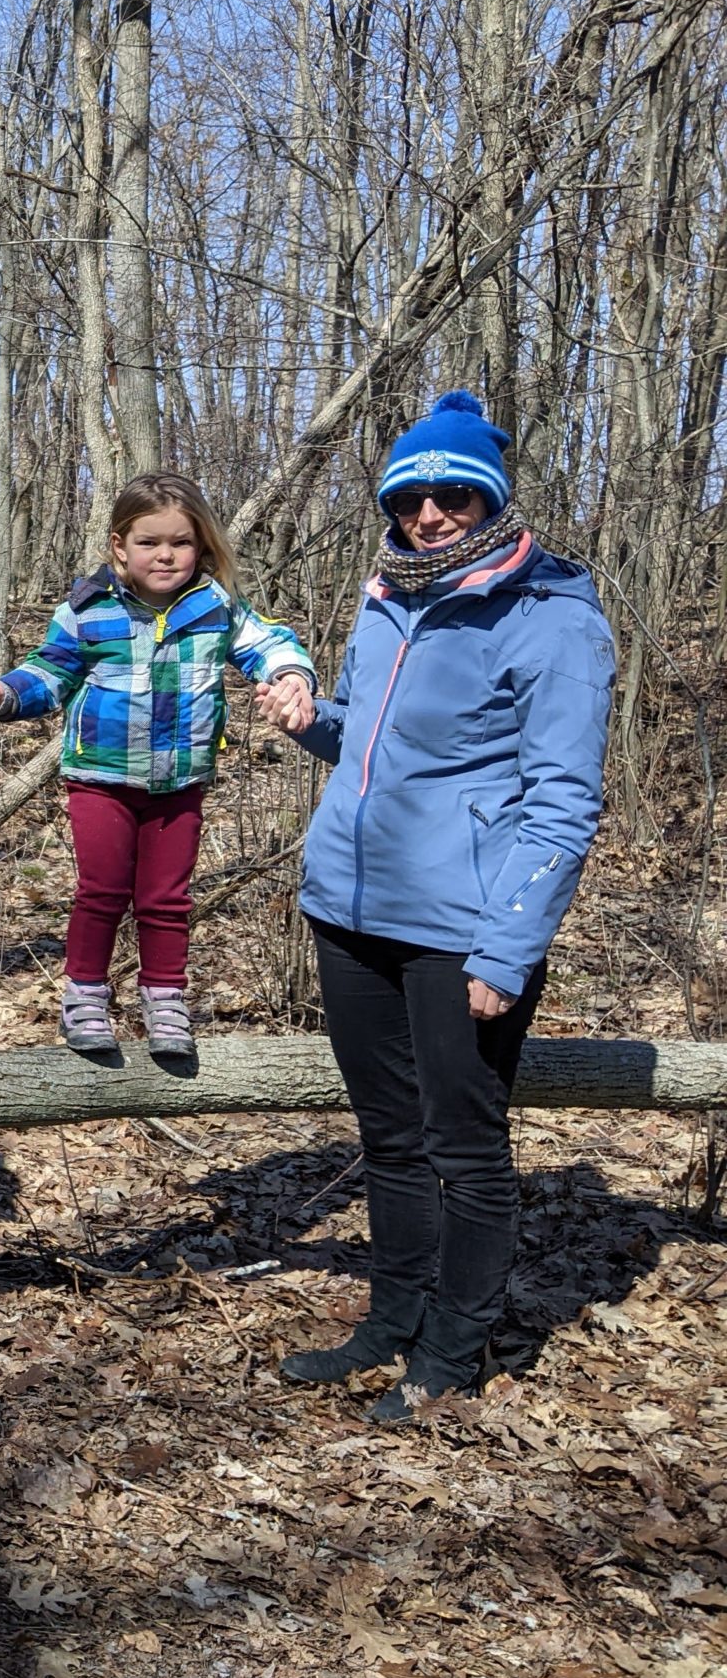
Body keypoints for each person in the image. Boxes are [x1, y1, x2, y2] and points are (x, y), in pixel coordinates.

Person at [265, 391, 614, 1421]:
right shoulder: (389, 596)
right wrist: (310, 720)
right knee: (388, 1137)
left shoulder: (553, 618)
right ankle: (391, 1321)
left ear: (491, 500)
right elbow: (377, 746)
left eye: (453, 496)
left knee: (463, 1146)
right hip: (349, 908)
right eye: (409, 499)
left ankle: (454, 1349)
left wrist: (507, 950)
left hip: (461, 929)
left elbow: (563, 803)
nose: (429, 515)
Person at [0, 472, 315, 1057]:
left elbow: (268, 643)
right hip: (101, 778)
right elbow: (50, 670)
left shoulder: (216, 606)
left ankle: (166, 998)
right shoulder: (88, 608)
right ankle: (84, 995)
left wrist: (290, 676)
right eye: (149, 542)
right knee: (102, 890)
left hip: (179, 780)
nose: (165, 555)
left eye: (180, 543)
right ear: (120, 546)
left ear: (200, 547)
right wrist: (7, 694)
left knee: (166, 898)